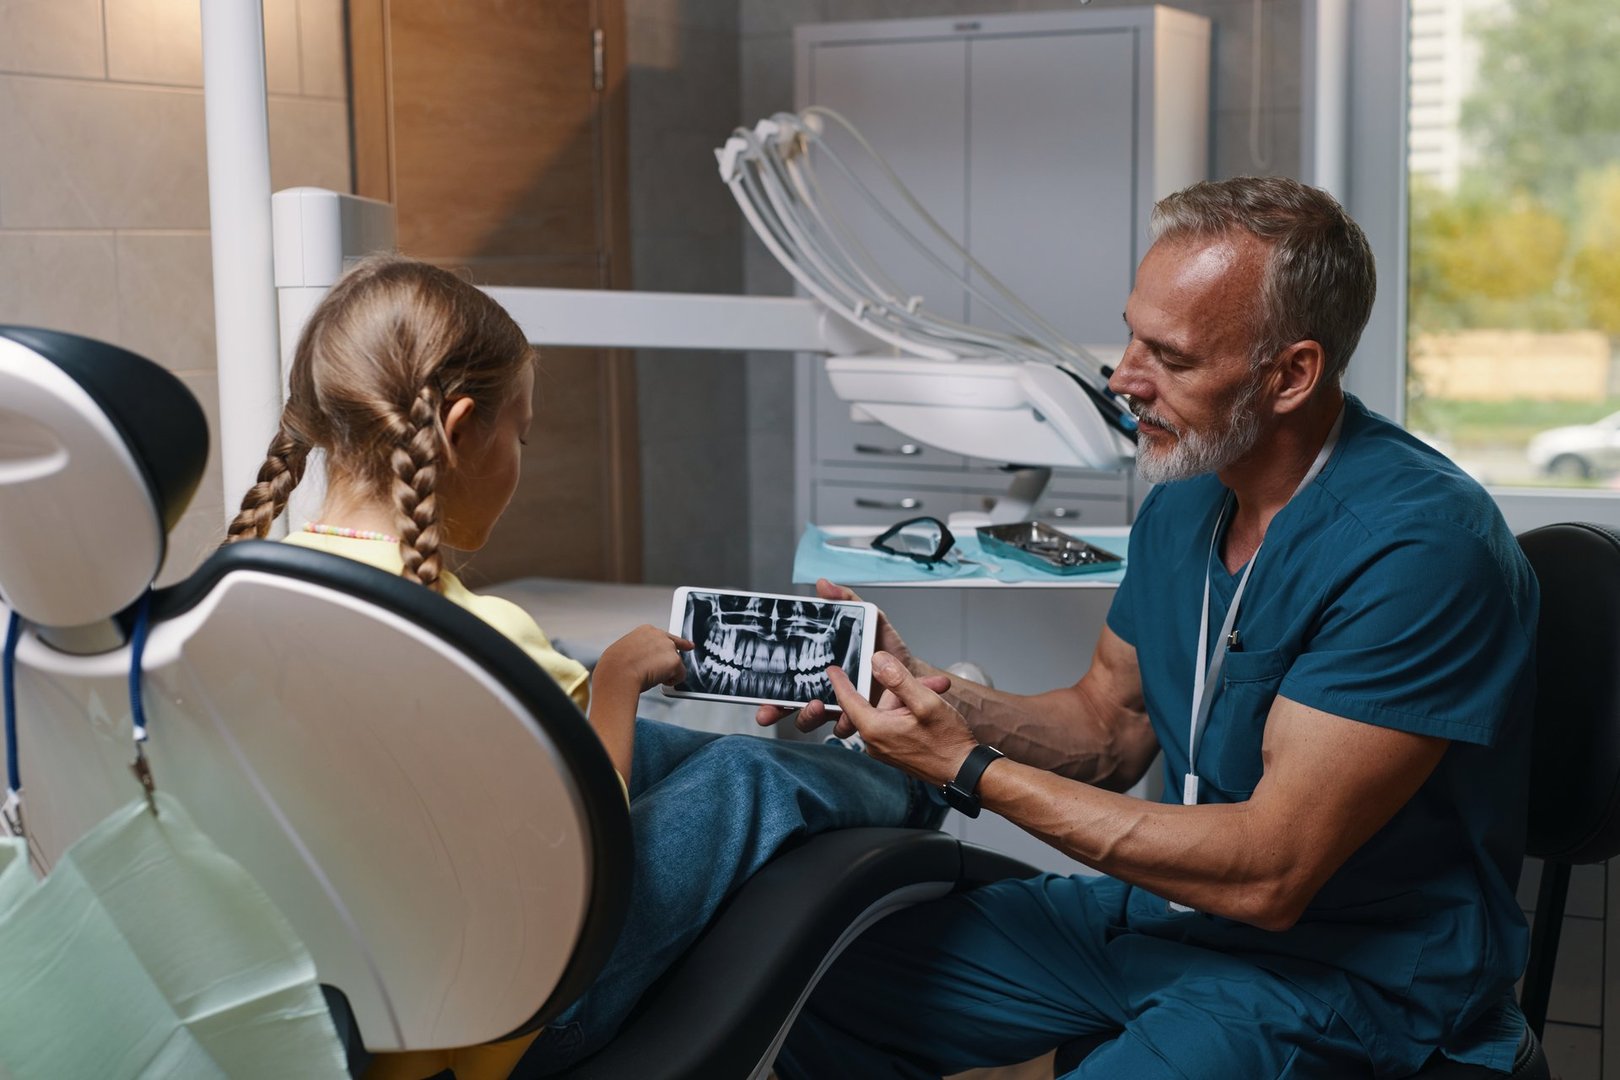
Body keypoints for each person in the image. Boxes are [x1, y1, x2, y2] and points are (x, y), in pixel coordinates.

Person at [759, 176, 1540, 1079]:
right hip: (1170, 920)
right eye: (1131, 333)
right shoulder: (1186, 499)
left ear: (1291, 373)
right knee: (830, 988)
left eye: (1169, 357)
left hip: (1350, 976)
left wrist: (966, 768)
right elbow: (1107, 727)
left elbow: (1269, 874)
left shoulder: (1422, 550)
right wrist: (921, 688)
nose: (1124, 378)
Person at [224, 254, 945, 1080]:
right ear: (458, 430)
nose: (521, 458)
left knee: (681, 752)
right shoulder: (479, 636)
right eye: (519, 435)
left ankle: (860, 756)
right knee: (747, 775)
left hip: (366, 997)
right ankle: (921, 772)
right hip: (518, 1014)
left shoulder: (247, 600)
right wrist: (617, 684)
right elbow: (579, 863)